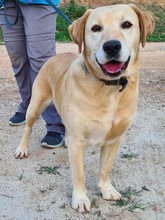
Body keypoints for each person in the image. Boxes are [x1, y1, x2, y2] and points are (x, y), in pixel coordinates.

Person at [0, 0, 65, 148]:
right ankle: (30, 105)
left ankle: (56, 123)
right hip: (7, 3)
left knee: (42, 61)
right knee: (17, 57)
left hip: (38, 2)